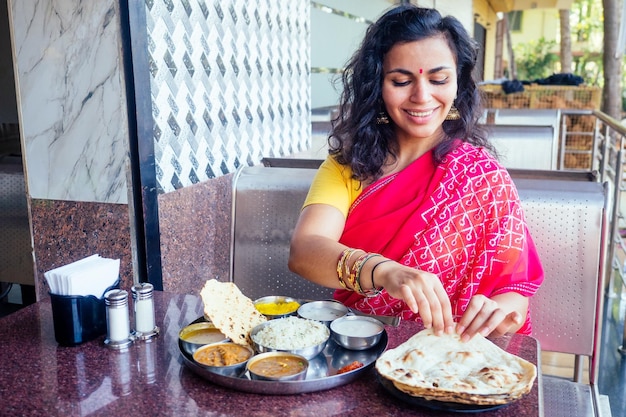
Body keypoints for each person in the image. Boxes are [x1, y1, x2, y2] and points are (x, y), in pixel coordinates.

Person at [288, 5, 544, 342]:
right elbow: (305, 250)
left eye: (438, 79)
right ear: (376, 84)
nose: (422, 96)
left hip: (454, 359)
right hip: (361, 344)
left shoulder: (483, 177)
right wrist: (384, 271)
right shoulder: (347, 165)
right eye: (401, 80)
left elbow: (515, 296)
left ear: (458, 83)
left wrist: (497, 312)